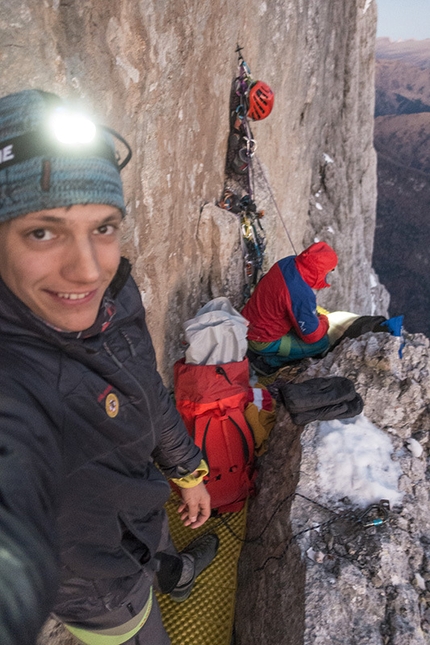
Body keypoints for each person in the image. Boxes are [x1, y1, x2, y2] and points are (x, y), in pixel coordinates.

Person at [0, 89, 219, 645]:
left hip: (143, 505)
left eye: (104, 226)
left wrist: (187, 469)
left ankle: (170, 570)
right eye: (42, 232)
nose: (87, 269)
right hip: (96, 587)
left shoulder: (116, 297)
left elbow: (143, 387)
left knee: (160, 553)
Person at [242, 242, 338, 374]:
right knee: (321, 343)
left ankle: (257, 351)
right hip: (261, 339)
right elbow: (312, 336)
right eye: (329, 270)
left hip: (246, 321)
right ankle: (266, 363)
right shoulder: (301, 294)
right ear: (321, 270)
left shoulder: (287, 262)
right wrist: (324, 321)